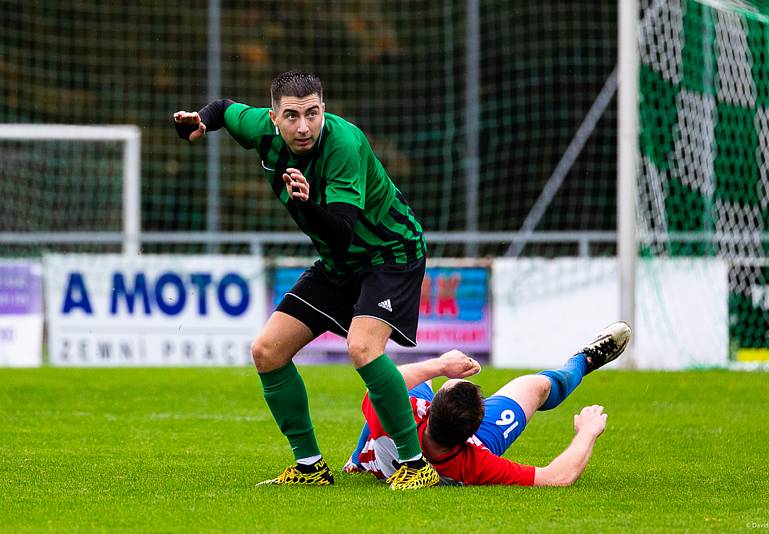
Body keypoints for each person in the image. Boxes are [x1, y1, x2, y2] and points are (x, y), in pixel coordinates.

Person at [173, 71, 438, 490]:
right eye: (292, 116)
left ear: (324, 110)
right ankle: (310, 467)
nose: (303, 126)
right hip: (339, 262)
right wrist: (202, 121)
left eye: (312, 113)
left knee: (362, 347)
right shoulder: (261, 127)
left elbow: (342, 230)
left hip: (390, 253)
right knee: (267, 351)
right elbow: (224, 109)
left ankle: (415, 464)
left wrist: (308, 201)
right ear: (273, 117)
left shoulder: (344, 144)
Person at [343, 321, 631, 486]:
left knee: (397, 384)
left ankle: (357, 459)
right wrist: (588, 432)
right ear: (473, 434)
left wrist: (442, 366)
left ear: (428, 408)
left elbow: (382, 385)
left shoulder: (398, 417)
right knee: (539, 386)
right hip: (454, 451)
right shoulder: (475, 461)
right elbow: (557, 477)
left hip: (399, 450)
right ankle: (584, 361)